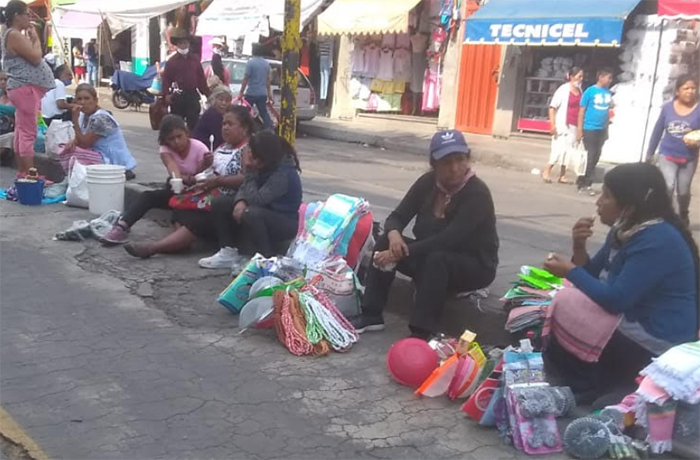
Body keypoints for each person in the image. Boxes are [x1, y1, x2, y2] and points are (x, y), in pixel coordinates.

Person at [543, 163, 699, 403]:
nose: (598, 202)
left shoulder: (657, 239)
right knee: (567, 295)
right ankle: (599, 379)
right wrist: (578, 247)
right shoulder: (625, 230)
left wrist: (570, 271)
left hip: (658, 340)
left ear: (629, 205)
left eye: (606, 195)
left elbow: (616, 299)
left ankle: (590, 383)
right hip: (632, 321)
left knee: (565, 300)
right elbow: (592, 275)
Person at [352, 130, 499, 339]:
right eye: (447, 162)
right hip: (429, 256)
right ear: (434, 164)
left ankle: (421, 330)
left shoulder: (477, 193)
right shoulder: (427, 183)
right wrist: (394, 235)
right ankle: (371, 314)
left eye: (460, 160)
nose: (455, 168)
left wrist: (400, 253)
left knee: (437, 258)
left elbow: (449, 239)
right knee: (385, 241)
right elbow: (397, 216)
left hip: (473, 266)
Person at [122, 106, 255, 259]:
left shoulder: (247, 149)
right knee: (179, 206)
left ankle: (153, 248)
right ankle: (179, 243)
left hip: (229, 201)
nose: (225, 128)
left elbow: (248, 179)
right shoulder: (223, 147)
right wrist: (204, 169)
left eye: (230, 124)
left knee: (197, 220)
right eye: (223, 124)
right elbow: (206, 172)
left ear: (244, 128)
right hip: (211, 195)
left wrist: (217, 181)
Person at [196, 131, 302, 267]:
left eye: (255, 156)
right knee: (220, 202)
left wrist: (250, 172)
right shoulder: (263, 164)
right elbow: (245, 188)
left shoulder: (282, 174)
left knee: (250, 213)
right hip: (262, 210)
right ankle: (228, 252)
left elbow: (257, 199)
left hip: (283, 221)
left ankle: (264, 260)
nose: (251, 157)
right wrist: (240, 200)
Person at [102, 115, 212, 245]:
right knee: (148, 196)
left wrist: (203, 167)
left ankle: (178, 240)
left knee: (180, 208)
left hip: (197, 191)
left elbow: (204, 175)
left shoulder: (199, 148)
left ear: (186, 133)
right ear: (165, 140)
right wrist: (181, 180)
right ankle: (122, 226)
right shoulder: (165, 150)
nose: (176, 142)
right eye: (171, 139)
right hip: (177, 187)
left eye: (179, 136)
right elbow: (172, 170)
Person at [0, 0, 55, 174]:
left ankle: (24, 173)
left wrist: (31, 38)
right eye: (27, 14)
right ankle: (30, 174)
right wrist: (37, 39)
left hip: (21, 88)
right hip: (24, 89)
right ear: (17, 16)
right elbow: (36, 57)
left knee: (21, 130)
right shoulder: (14, 34)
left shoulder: (12, 34)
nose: (30, 17)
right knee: (27, 133)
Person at [646, 75, 699, 228]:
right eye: (686, 88)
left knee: (683, 191)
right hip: (667, 153)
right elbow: (658, 130)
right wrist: (650, 152)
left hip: (689, 157)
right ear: (677, 91)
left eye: (693, 88)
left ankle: (683, 212)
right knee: (668, 186)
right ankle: (666, 215)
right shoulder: (668, 108)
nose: (690, 92)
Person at [61, 84, 137, 178]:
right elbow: (79, 138)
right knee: (65, 148)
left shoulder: (101, 118)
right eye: (79, 99)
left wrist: (75, 121)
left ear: (95, 100)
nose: (83, 102)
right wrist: (72, 142)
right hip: (98, 155)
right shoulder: (83, 116)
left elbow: (84, 144)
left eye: (87, 98)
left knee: (74, 154)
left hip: (113, 161)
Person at [162, 28, 210, 130]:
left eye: (185, 42)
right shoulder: (171, 61)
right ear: (177, 45)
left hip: (192, 96)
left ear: (189, 43)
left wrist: (208, 95)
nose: (183, 45)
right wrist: (166, 95)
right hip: (177, 97)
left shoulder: (195, 60)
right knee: (176, 125)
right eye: (181, 43)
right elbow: (166, 80)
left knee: (193, 125)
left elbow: (201, 79)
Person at [543, 67, 583, 184]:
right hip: (562, 125)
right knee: (558, 149)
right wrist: (552, 124)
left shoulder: (580, 90)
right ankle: (547, 171)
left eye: (582, 77)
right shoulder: (563, 90)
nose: (581, 79)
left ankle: (562, 175)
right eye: (579, 76)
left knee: (569, 150)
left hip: (574, 125)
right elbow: (552, 107)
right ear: (571, 77)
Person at [577, 68, 613, 194]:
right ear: (600, 77)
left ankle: (583, 180)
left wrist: (607, 127)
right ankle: (586, 182)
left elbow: (608, 110)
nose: (610, 80)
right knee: (591, 155)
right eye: (608, 78)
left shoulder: (608, 93)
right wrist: (579, 129)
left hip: (602, 129)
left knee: (597, 155)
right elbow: (581, 111)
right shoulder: (590, 91)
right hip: (589, 128)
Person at [239, 44, 273, 131]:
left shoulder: (251, 62)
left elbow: (246, 78)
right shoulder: (266, 64)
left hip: (251, 92)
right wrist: (269, 94)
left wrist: (241, 92)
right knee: (263, 112)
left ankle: (244, 127)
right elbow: (268, 80)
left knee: (245, 111)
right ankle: (269, 129)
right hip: (262, 93)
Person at [191, 85, 232, 150]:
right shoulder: (212, 115)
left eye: (227, 100)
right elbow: (219, 139)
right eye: (221, 99)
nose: (224, 103)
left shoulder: (223, 115)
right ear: (214, 99)